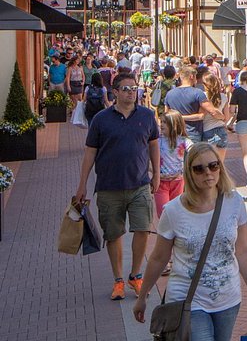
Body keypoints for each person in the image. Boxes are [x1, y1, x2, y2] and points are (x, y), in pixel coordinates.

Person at [133, 144, 247, 341]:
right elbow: (159, 257)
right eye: (199, 168)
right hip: (188, 303)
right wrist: (143, 295)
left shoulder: (234, 202)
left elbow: (242, 250)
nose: (208, 173)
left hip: (228, 301)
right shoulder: (174, 211)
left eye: (213, 165)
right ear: (189, 172)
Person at [74, 71, 161, 302]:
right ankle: (118, 280)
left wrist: (157, 174)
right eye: (126, 89)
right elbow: (90, 152)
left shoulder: (146, 116)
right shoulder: (102, 119)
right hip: (108, 187)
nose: (131, 92)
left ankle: (135, 275)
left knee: (143, 229)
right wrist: (82, 185)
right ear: (114, 92)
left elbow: (153, 145)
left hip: (140, 184)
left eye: (134, 89)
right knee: (113, 235)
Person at [165, 65, 222, 145]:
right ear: (192, 76)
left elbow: (166, 114)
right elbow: (209, 112)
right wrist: (223, 118)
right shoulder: (198, 93)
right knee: (193, 156)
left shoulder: (169, 94)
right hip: (193, 133)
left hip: (175, 133)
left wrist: (177, 117)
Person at [155, 110, 191, 215]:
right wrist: (156, 173)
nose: (161, 125)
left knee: (176, 212)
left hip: (178, 181)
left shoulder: (183, 140)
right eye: (161, 122)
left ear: (174, 124)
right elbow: (146, 158)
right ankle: (164, 231)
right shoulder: (157, 140)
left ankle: (174, 231)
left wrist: (184, 170)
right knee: (163, 213)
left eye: (165, 122)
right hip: (161, 182)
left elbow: (195, 151)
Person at [200, 72, 230, 160]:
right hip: (221, 130)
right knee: (220, 161)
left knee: (209, 162)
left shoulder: (202, 96)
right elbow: (227, 117)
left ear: (205, 84)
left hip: (207, 130)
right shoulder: (223, 97)